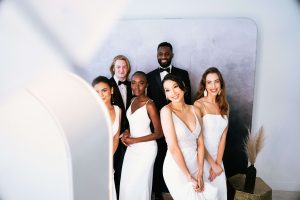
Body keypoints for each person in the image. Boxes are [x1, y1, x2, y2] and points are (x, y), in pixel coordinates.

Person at [161, 74, 217, 200]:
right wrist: (188, 176)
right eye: (167, 90)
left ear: (183, 87)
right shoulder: (166, 111)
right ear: (165, 94)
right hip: (177, 168)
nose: (173, 93)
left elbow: (200, 144)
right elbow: (173, 147)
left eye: (175, 87)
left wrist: (200, 173)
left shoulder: (195, 110)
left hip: (196, 165)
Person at [147, 42, 192, 199]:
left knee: (180, 155)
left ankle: (182, 190)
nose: (164, 56)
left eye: (167, 53)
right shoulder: (149, 76)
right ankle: (159, 193)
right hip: (159, 126)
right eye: (161, 53)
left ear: (172, 55)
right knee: (159, 159)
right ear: (157, 55)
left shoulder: (183, 74)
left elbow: (189, 100)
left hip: (180, 125)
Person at [119, 71, 163, 200]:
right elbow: (132, 123)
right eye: (133, 83)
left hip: (146, 150)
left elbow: (159, 133)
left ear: (146, 85)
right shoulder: (132, 100)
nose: (136, 87)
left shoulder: (150, 105)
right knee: (127, 184)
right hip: (132, 149)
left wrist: (135, 140)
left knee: (138, 185)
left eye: (141, 83)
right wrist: (127, 132)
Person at [194, 67, 229, 200]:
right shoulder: (198, 105)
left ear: (221, 84)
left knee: (219, 195)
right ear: (204, 85)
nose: (213, 86)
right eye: (209, 82)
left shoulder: (224, 105)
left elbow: (223, 137)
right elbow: (198, 140)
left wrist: (218, 164)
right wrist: (212, 164)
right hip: (203, 158)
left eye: (216, 81)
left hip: (218, 160)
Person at [92, 76, 122, 200]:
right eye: (96, 92)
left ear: (112, 90)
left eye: (104, 90)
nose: (101, 95)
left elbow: (115, 138)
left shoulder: (118, 110)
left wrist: (108, 158)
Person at [109, 55, 133, 198]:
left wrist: (128, 130)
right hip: (112, 136)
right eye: (118, 66)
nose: (122, 69)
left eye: (124, 66)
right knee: (114, 170)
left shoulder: (133, 85)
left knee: (126, 171)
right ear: (113, 68)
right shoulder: (107, 86)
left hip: (130, 134)